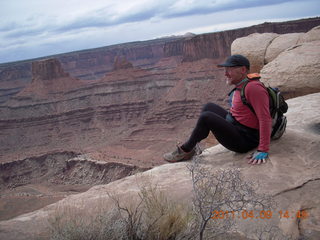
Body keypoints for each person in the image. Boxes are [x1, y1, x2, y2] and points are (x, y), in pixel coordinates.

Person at [163, 54, 272, 165]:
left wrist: (263, 149)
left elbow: (265, 118)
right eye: (225, 70)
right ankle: (193, 147)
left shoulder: (253, 88)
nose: (225, 74)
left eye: (229, 70)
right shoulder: (243, 84)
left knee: (206, 117)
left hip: (246, 140)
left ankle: (185, 150)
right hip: (238, 126)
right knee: (209, 107)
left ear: (243, 70)